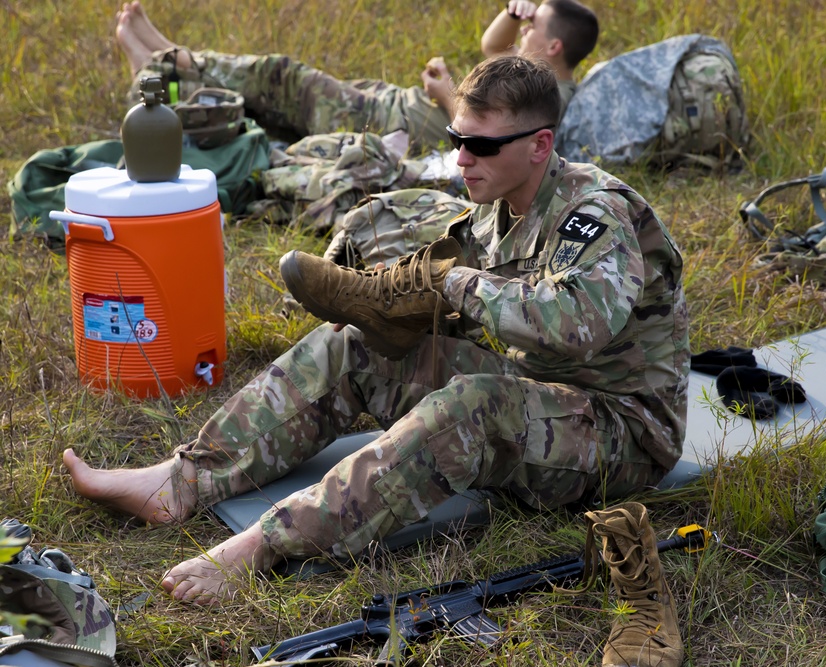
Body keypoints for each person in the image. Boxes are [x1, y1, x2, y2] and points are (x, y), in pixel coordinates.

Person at [64, 54, 688, 659]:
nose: (462, 157)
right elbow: (462, 281)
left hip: (623, 431)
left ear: (540, 145)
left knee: (473, 406)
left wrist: (455, 286)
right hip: (545, 391)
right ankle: (182, 480)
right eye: (456, 138)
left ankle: (268, 544)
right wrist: (393, 299)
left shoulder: (595, 214)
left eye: (482, 146)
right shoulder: (502, 203)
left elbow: (575, 323)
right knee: (356, 347)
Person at [113, 0, 599, 154]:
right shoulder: (530, 68)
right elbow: (492, 47)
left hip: (397, 124)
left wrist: (444, 92)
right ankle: (164, 56)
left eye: (535, 25)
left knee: (282, 78)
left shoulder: (549, 93)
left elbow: (488, 135)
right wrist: (513, 13)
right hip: (395, 105)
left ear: (554, 46)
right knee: (278, 102)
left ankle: (161, 62)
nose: (527, 27)